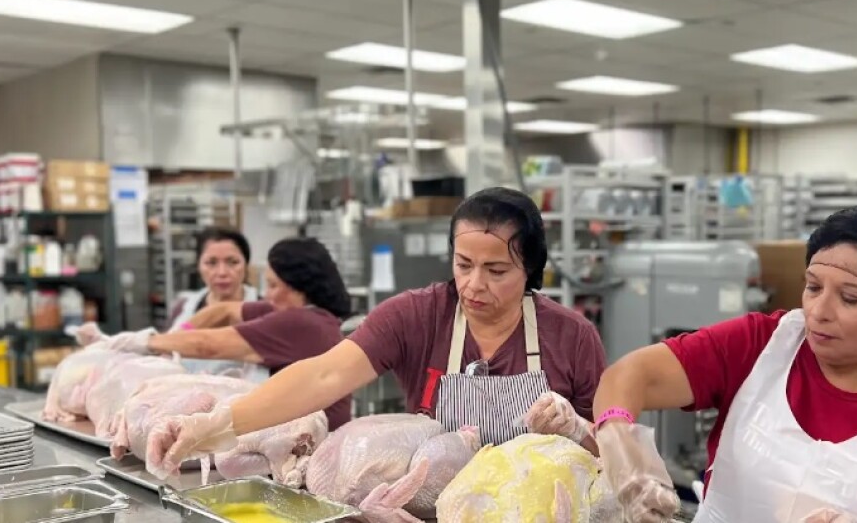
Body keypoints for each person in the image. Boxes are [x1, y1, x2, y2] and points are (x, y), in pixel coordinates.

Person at [143, 187, 607, 477]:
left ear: (531, 269)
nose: (474, 284)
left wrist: (576, 427)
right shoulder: (416, 315)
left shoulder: (572, 336)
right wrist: (216, 424)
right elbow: (322, 377)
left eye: (497, 269)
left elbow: (609, 453)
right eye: (463, 265)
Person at [591, 206, 857, 523]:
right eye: (812, 287)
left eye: (850, 298)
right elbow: (631, 375)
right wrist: (621, 443)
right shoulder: (761, 345)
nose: (819, 311)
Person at [84, 237, 354, 430]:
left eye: (273, 285)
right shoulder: (295, 311)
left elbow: (209, 345)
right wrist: (180, 332)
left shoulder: (302, 323)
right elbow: (223, 311)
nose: (268, 294)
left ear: (299, 286)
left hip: (314, 442)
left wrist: (144, 341)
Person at [167, 227, 257, 331]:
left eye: (232, 262)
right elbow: (175, 338)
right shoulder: (188, 308)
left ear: (246, 265)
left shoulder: (265, 310)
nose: (222, 273)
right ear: (198, 265)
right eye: (211, 263)